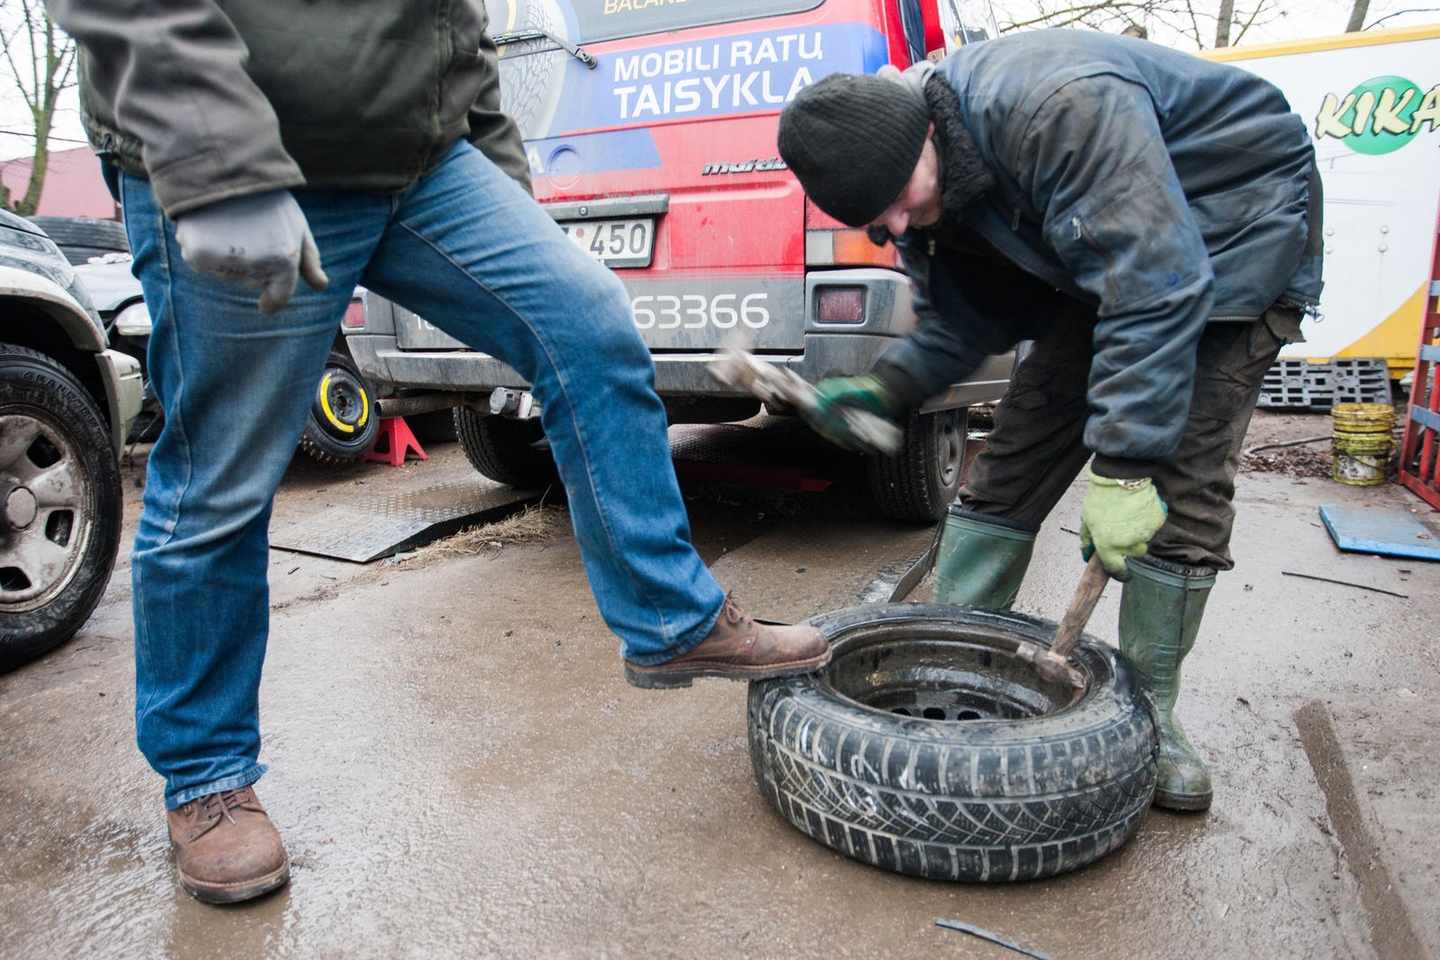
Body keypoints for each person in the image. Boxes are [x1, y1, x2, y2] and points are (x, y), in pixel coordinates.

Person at [47, 0, 830, 905]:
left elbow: (455, 29)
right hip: (242, 146)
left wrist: (503, 186)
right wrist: (216, 156)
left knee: (585, 323)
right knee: (220, 476)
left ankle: (671, 620)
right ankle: (207, 777)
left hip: (419, 161)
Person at [777, 29, 1322, 813]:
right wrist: (886, 389)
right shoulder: (922, 183)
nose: (895, 226)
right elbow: (967, 318)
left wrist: (1126, 469)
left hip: (1238, 227)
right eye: (877, 221)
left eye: (897, 201)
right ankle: (956, 656)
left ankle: (1147, 714)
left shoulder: (1056, 106)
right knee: (1015, 455)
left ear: (923, 136)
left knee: (1182, 480)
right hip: (1105, 254)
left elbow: (1159, 283)